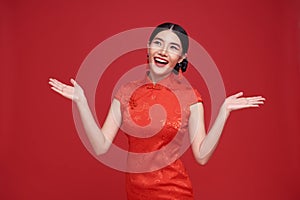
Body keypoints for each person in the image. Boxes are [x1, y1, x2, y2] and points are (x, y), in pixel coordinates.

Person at [49, 22, 265, 200]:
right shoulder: (126, 91)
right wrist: (81, 102)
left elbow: (201, 156)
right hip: (135, 193)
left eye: (173, 47)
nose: (163, 51)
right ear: (149, 47)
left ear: (181, 57)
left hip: (174, 192)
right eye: (158, 43)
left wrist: (223, 112)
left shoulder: (190, 97)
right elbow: (101, 146)